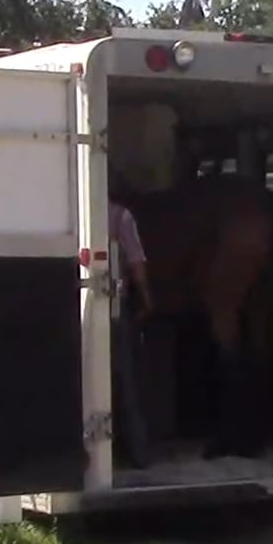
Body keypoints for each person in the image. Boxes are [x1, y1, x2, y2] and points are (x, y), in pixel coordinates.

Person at [108, 181, 155, 468]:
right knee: (126, 377)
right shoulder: (121, 216)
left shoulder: (75, 214)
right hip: (114, 304)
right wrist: (148, 300)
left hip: (77, 306)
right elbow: (136, 262)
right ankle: (138, 452)